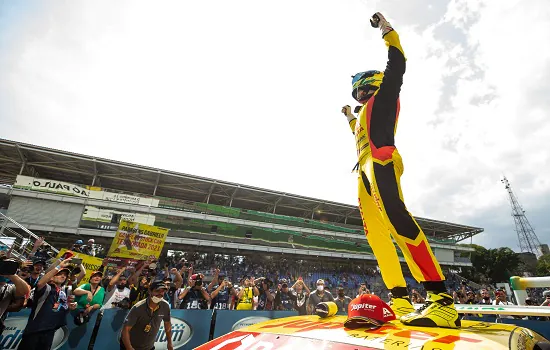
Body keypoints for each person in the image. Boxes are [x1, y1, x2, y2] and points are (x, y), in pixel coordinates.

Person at [340, 12, 459, 328]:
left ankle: (441, 300)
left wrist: (385, 28)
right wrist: (349, 118)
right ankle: (401, 300)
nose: (361, 97)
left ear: (375, 86)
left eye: (364, 91)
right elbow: (358, 133)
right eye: (357, 95)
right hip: (362, 171)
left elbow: (399, 62)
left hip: (381, 160)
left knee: (398, 222)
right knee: (377, 238)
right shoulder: (365, 113)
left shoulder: (387, 93)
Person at [18, 258, 77, 349]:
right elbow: (40, 283)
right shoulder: (47, 288)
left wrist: (69, 307)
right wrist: (58, 266)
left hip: (50, 332)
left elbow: (60, 310)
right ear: (52, 277)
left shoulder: (62, 293)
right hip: (35, 331)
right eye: (59, 274)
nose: (63, 276)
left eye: (65, 275)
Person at [121, 280, 173, 350]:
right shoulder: (138, 307)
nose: (160, 294)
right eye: (157, 291)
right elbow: (125, 330)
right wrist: (129, 348)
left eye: (162, 291)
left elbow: (168, 326)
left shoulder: (165, 306)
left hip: (149, 347)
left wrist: (169, 344)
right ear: (150, 291)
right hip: (131, 346)